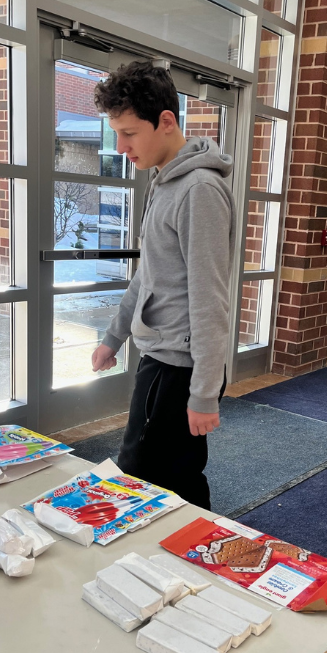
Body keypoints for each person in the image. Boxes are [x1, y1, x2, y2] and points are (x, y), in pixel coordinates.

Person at [87, 61, 234, 509]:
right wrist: (114, 336)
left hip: (181, 367)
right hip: (161, 358)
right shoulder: (163, 183)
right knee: (170, 477)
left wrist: (205, 393)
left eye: (129, 133)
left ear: (166, 122)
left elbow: (211, 299)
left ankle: (195, 561)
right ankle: (196, 560)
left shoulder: (198, 191)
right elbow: (149, 274)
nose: (120, 146)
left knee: (148, 477)